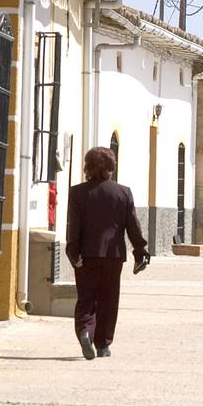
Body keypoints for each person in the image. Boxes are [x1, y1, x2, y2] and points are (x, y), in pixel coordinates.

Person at [65, 146, 149, 360]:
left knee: (86, 297)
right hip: (113, 255)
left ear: (88, 167)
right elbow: (133, 225)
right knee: (109, 299)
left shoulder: (77, 193)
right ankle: (103, 345)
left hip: (86, 254)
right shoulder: (123, 192)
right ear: (111, 168)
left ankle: (85, 331)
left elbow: (73, 227)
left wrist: (73, 254)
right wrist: (140, 250)